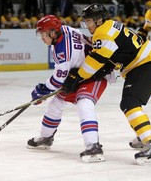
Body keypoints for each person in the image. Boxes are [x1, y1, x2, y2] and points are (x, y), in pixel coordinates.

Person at [62, 3, 151, 165]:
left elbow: (96, 62)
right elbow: (113, 56)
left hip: (145, 65)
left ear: (99, 20)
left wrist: (77, 77)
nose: (87, 26)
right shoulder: (111, 26)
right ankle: (144, 134)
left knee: (130, 104)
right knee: (129, 104)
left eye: (89, 22)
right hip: (144, 63)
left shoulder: (102, 33)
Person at [27, 15, 111, 163]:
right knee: (56, 103)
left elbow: (58, 80)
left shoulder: (62, 52)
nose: (42, 38)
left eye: (44, 34)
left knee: (84, 103)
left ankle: (93, 146)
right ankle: (46, 137)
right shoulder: (65, 29)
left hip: (96, 73)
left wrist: (42, 90)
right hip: (78, 74)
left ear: (53, 33)